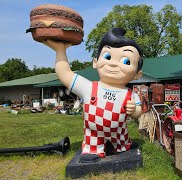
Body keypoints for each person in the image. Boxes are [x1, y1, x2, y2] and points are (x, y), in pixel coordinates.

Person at [43, 28, 144, 162]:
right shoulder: (89, 87)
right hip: (94, 133)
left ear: (137, 74)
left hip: (120, 131)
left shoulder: (130, 94)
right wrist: (60, 50)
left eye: (126, 61)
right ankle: (93, 150)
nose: (113, 64)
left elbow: (138, 112)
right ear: (95, 62)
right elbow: (65, 74)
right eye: (107, 56)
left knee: (123, 144)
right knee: (93, 142)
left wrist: (134, 110)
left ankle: (123, 145)